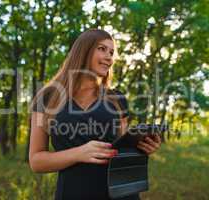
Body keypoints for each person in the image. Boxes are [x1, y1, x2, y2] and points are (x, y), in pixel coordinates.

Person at [29, 29, 162, 200]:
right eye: (102, 49)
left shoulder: (117, 99)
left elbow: (122, 149)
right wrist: (79, 153)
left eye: (112, 52)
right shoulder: (47, 98)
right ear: (83, 51)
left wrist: (142, 147)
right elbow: (36, 161)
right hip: (72, 193)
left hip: (120, 194)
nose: (109, 57)